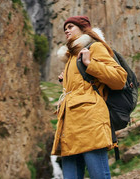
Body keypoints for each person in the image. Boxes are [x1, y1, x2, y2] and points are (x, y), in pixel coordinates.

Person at [51, 16, 128, 179]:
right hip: (69, 126)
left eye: (71, 26)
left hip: (90, 122)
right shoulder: (71, 57)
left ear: (83, 28)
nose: (66, 30)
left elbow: (120, 79)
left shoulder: (95, 47)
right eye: (65, 28)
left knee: (98, 175)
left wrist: (90, 64)